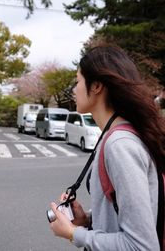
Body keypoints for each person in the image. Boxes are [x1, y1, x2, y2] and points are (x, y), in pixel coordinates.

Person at [49, 43, 165, 251]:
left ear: (96, 86)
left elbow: (141, 246)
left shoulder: (120, 145)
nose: (74, 90)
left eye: (77, 82)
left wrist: (74, 233)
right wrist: (87, 219)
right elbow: (130, 213)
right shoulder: (116, 135)